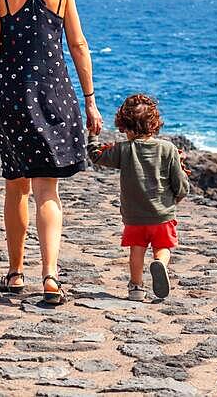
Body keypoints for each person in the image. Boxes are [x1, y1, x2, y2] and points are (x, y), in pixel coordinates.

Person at [0, 0, 102, 304]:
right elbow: (78, 46)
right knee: (49, 192)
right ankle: (50, 277)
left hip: (13, 99)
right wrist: (91, 102)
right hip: (57, 96)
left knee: (17, 187)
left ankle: (15, 274)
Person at [87, 93, 189, 301]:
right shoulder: (168, 149)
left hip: (134, 217)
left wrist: (93, 135)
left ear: (124, 125)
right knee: (163, 247)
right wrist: (176, 198)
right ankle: (160, 263)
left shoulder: (124, 150)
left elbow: (96, 155)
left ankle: (136, 287)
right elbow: (180, 184)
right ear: (154, 123)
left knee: (136, 251)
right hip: (162, 214)